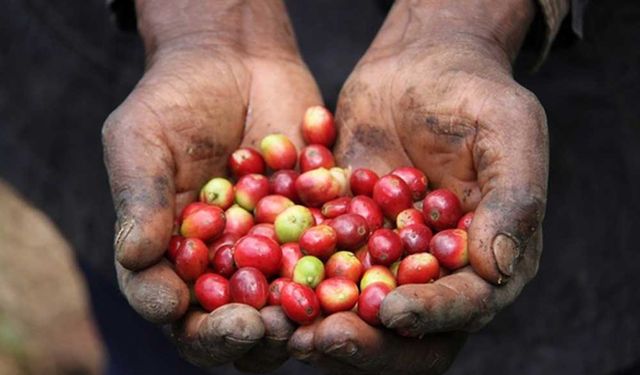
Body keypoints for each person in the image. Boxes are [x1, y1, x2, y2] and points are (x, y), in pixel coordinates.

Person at [102, 1, 570, 373]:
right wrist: (203, 27)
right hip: (127, 69)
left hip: (578, 107)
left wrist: (463, 19)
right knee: (151, 339)